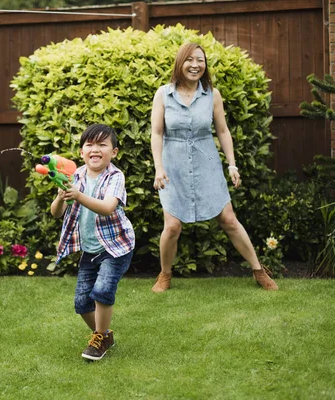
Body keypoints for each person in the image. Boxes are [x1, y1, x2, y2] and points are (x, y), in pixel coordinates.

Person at [150, 42, 278, 293]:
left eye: (200, 60)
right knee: (172, 226)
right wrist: (158, 167)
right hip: (172, 163)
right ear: (180, 63)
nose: (195, 65)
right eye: (190, 60)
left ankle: (258, 270)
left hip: (206, 161)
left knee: (228, 219)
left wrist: (232, 165)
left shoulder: (212, 94)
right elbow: (156, 133)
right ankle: (165, 275)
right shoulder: (163, 94)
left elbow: (222, 131)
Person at [51, 124, 135, 361]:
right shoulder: (74, 175)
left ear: (114, 152)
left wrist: (78, 195)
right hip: (90, 248)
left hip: (116, 247)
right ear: (81, 152)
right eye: (89, 144)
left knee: (102, 291)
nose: (95, 149)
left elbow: (108, 208)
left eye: (102, 144)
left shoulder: (115, 176)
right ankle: (104, 335)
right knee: (81, 303)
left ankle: (98, 341)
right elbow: (56, 213)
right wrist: (60, 197)